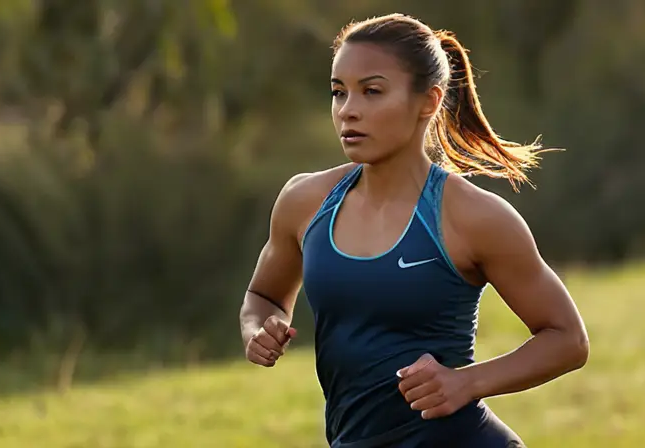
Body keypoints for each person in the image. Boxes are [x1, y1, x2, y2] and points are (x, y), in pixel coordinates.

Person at [239, 13, 589, 448]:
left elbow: (567, 339)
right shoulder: (304, 202)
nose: (348, 109)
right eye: (338, 92)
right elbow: (264, 298)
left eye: (372, 91)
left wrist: (466, 383)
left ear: (428, 101)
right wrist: (260, 329)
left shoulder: (474, 217)